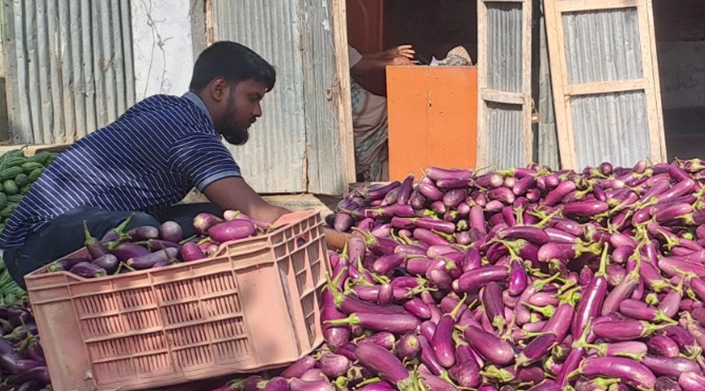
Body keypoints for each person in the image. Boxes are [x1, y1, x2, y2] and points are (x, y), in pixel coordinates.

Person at [0, 41, 345, 288]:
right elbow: (256, 210)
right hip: (37, 247)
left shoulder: (162, 106)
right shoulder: (190, 136)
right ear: (220, 89)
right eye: (252, 98)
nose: (257, 112)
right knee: (144, 227)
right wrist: (344, 241)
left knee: (213, 217)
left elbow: (237, 213)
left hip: (39, 239)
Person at [349, 44, 415, 182]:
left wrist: (386, 54)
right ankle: (364, 161)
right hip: (340, 95)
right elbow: (358, 65)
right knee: (387, 109)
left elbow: (353, 56)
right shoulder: (325, 32)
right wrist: (391, 62)